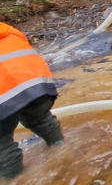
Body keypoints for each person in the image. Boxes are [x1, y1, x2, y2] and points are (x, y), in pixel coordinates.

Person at [0, 22, 64, 179]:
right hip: (38, 84)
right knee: (42, 120)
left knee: (3, 147)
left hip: (3, 94)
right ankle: (63, 152)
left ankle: (15, 180)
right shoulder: (9, 30)